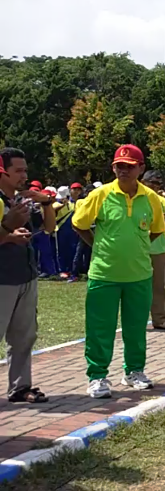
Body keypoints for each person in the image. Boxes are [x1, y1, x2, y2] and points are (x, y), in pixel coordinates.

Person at [72, 145, 165, 398]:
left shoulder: (152, 198)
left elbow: (157, 228)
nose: (123, 170)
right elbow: (79, 224)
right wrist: (97, 245)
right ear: (113, 168)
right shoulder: (100, 194)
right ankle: (97, 377)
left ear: (141, 168)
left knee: (136, 328)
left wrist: (138, 245)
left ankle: (134, 371)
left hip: (139, 274)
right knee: (99, 329)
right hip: (104, 274)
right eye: (119, 166)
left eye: (129, 166)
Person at [0, 149, 55, 403]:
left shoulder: (23, 201)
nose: (24, 175)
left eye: (25, 169)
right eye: (18, 170)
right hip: (3, 278)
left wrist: (45, 203)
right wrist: (8, 232)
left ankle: (21, 387)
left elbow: (49, 228)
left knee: (24, 336)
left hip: (25, 275)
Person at [140, 171, 165, 330]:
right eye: (152, 183)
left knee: (159, 287)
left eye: (158, 184)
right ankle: (137, 320)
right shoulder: (136, 198)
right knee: (137, 286)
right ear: (143, 181)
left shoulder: (162, 201)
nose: (155, 187)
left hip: (158, 248)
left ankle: (160, 319)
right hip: (137, 248)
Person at [53, 182, 83, 278]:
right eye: (74, 189)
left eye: (78, 189)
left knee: (74, 251)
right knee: (62, 250)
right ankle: (63, 270)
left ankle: (72, 270)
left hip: (74, 230)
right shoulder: (61, 202)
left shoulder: (80, 202)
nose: (76, 191)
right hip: (62, 229)